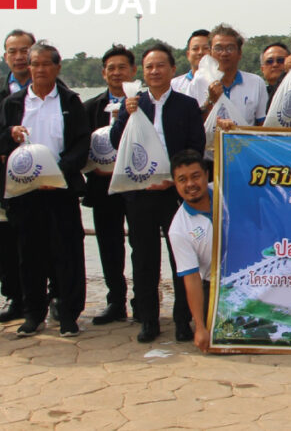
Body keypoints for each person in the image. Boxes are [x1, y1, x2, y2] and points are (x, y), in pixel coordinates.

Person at [0, 42, 90, 337]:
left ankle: (69, 314)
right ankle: (33, 313)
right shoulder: (13, 103)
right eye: (35, 64)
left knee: (67, 253)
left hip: (60, 188)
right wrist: (10, 134)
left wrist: (60, 169)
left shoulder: (70, 101)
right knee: (29, 255)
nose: (40, 69)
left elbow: (82, 143)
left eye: (46, 63)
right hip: (25, 192)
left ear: (57, 67)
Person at [110, 43, 206, 343]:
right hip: (140, 193)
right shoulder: (133, 103)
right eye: (149, 67)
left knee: (182, 259)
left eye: (160, 65)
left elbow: (196, 147)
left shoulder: (186, 105)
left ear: (172, 70)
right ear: (142, 72)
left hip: (174, 193)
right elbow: (116, 143)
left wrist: (175, 180)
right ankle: (148, 319)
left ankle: (182, 320)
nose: (155, 71)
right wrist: (125, 116)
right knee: (143, 258)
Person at [0, 28, 35, 324]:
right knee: (8, 240)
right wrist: (0, 150)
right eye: (12, 51)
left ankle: (52, 296)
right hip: (7, 177)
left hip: (44, 175)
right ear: (4, 56)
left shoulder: (52, 85)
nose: (19, 56)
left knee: (48, 239)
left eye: (24, 50)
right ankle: (14, 297)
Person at [82, 44, 136, 325]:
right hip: (103, 187)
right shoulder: (89, 107)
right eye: (111, 68)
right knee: (109, 245)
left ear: (133, 71)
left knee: (141, 244)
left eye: (122, 67)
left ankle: (143, 300)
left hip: (137, 187)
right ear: (104, 73)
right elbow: (79, 146)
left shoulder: (143, 103)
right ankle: (115, 301)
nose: (117, 73)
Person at [168, 149, 214, 353]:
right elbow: (192, 278)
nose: (190, 184)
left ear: (207, 175)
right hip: (213, 287)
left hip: (253, 277)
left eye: (196, 176)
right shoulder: (179, 229)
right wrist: (200, 327)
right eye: (182, 179)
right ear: (175, 184)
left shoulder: (227, 191)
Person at [190, 24, 267, 145]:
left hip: (244, 152)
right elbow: (190, 125)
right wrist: (210, 101)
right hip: (208, 153)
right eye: (218, 48)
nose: (224, 53)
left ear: (240, 53)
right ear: (210, 53)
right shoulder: (198, 82)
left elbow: (262, 126)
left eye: (230, 48)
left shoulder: (256, 83)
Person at [171, 29, 211, 95]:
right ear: (188, 55)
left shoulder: (220, 83)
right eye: (195, 49)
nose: (200, 52)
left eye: (206, 48)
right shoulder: (174, 85)